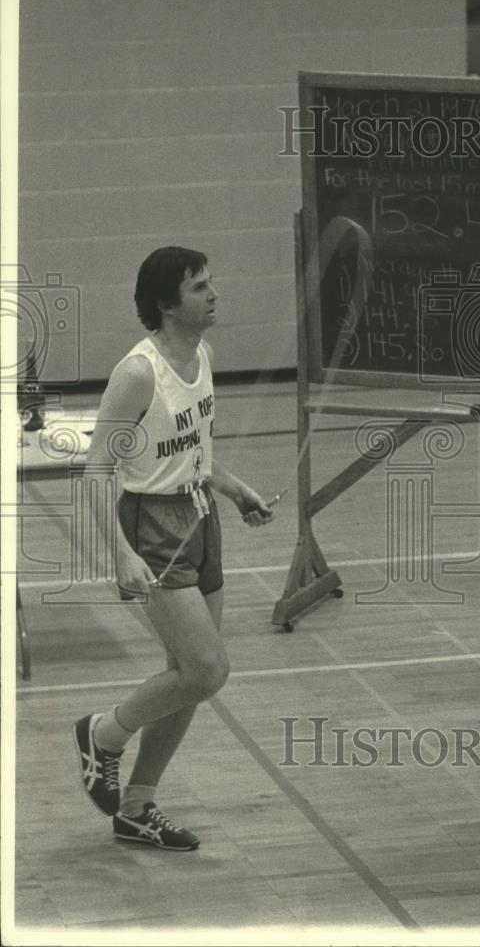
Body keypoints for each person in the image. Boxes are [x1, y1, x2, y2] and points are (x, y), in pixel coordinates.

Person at [73, 246, 273, 850]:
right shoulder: (138, 373)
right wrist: (120, 554)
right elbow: (95, 472)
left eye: (212, 283)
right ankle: (103, 734)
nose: (213, 295)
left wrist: (234, 489)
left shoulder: (202, 355)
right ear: (166, 304)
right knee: (209, 668)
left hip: (200, 515)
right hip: (151, 526)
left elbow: (192, 451)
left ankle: (137, 809)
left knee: (191, 677)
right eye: (198, 288)